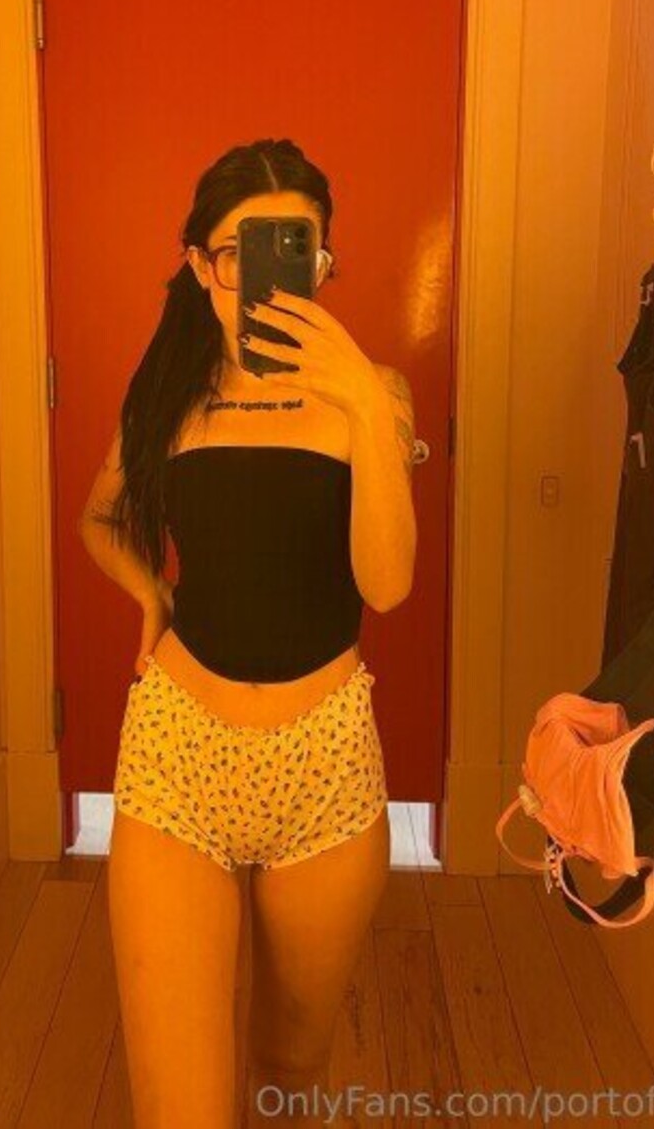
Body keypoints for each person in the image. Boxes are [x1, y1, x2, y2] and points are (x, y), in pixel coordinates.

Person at [77, 138, 418, 1128]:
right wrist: (151, 593)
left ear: (322, 264)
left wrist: (362, 398)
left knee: (288, 1072)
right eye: (238, 252)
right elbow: (98, 518)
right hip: (179, 757)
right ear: (200, 265)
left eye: (294, 249)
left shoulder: (374, 394)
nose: (263, 277)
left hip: (326, 766)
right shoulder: (169, 396)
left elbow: (387, 585)